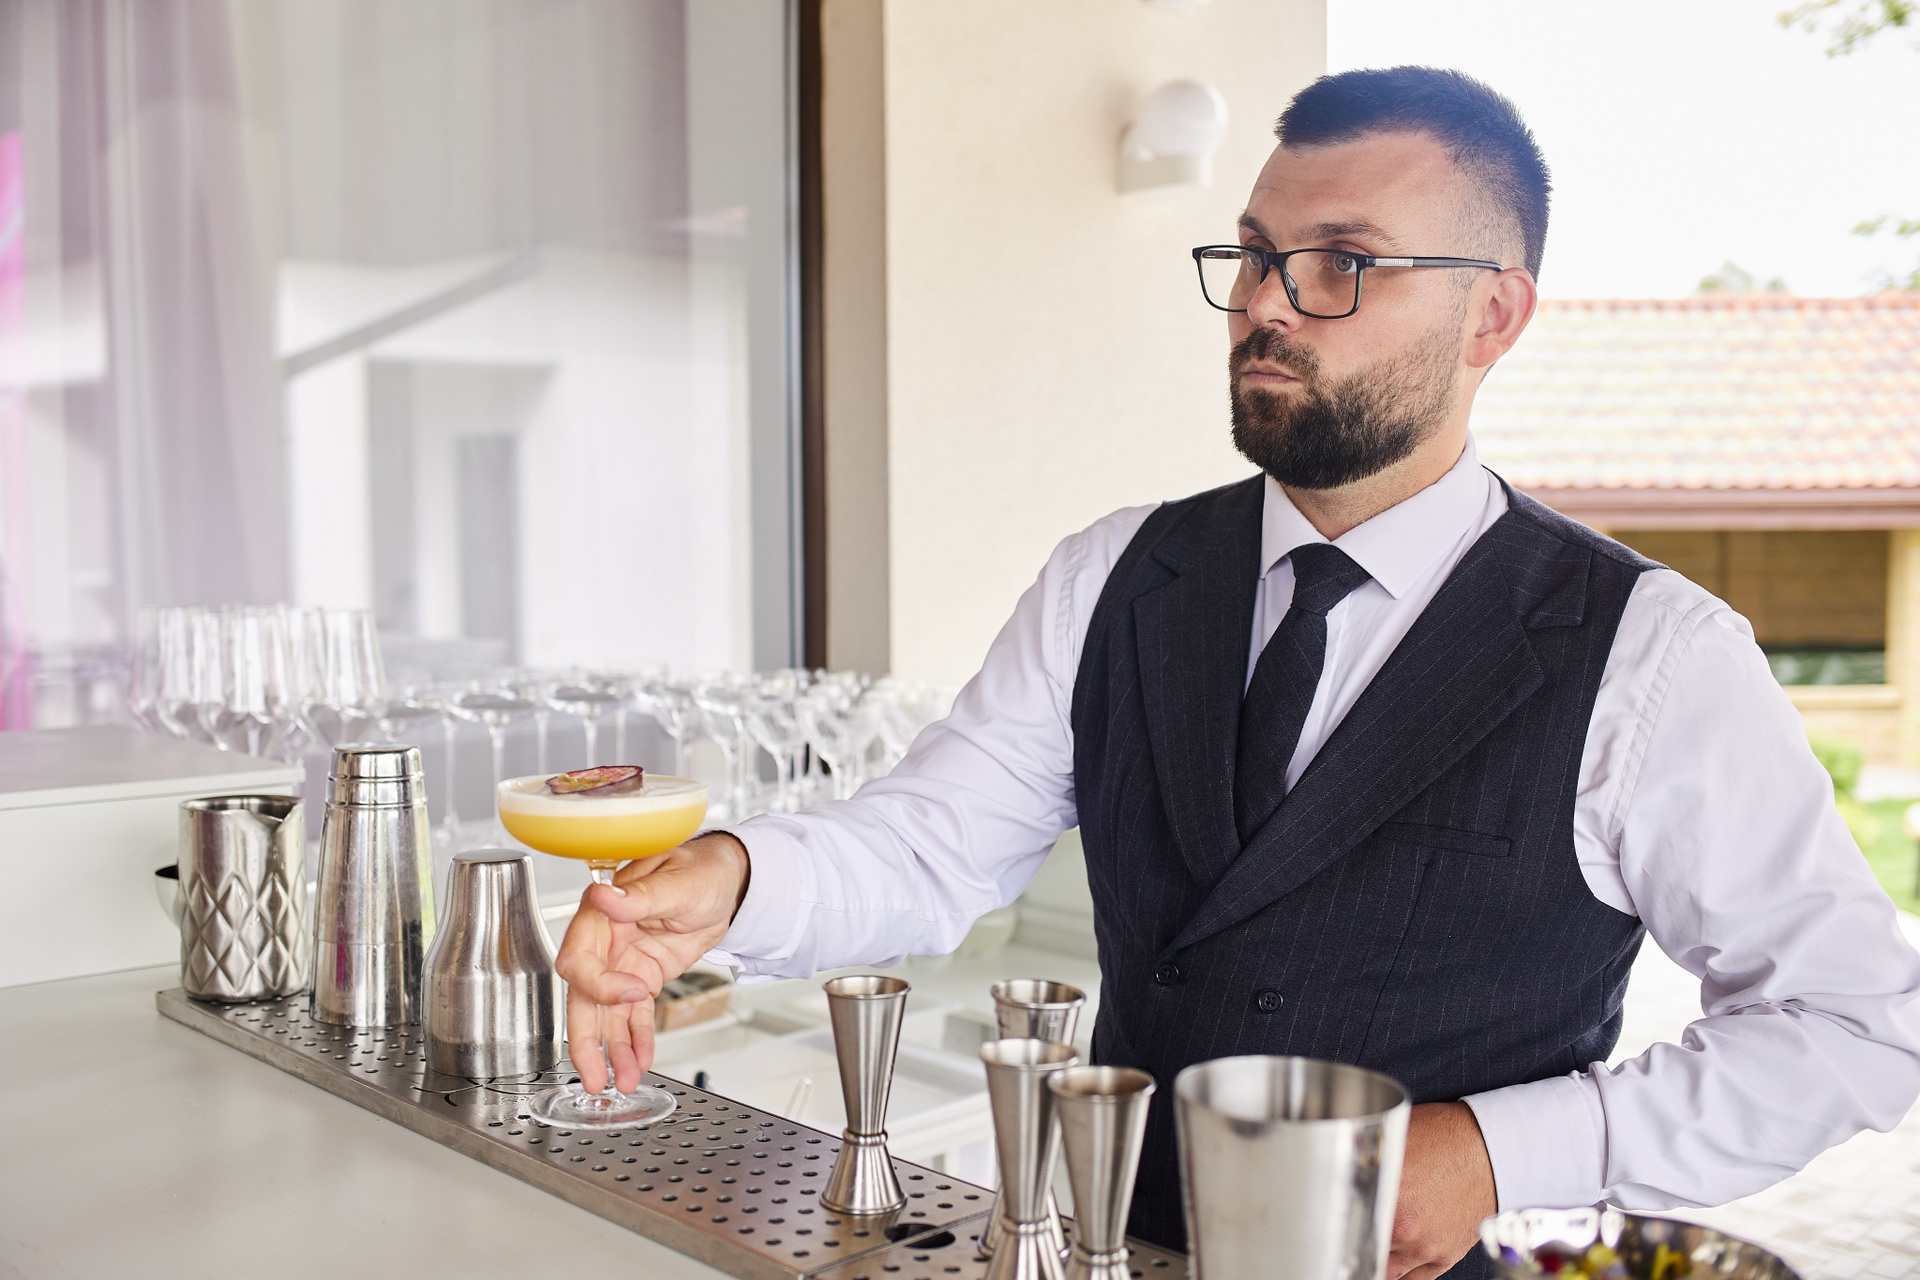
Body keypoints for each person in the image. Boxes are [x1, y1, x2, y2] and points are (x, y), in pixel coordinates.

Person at [557, 66, 1920, 1280]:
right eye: (1258, 254)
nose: (1267, 303)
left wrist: (1501, 1150)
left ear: (1493, 316)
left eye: (1342, 263)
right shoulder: (1113, 574)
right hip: (1114, 1246)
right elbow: (930, 846)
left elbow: (1854, 1024)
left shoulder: (1651, 652)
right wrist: (730, 881)